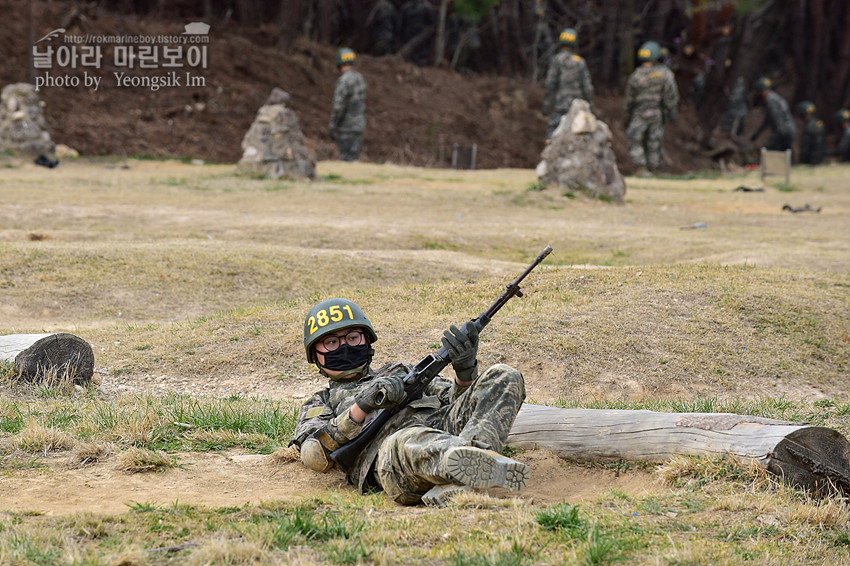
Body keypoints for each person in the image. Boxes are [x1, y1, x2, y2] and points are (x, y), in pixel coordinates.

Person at [290, 298, 528, 508]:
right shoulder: (319, 402)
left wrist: (464, 372)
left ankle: (469, 463)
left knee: (504, 375)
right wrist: (363, 405)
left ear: (367, 341)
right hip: (392, 457)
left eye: (352, 338)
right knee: (405, 439)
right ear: (315, 355)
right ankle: (466, 464)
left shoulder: (400, 372)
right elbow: (314, 454)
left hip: (442, 427)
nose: (344, 347)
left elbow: (457, 401)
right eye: (331, 342)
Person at [624, 41, 680, 177]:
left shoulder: (636, 76)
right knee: (654, 140)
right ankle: (655, 168)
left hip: (639, 113)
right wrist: (672, 111)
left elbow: (629, 98)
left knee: (635, 138)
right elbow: (671, 95)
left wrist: (627, 114)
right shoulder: (664, 74)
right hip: (657, 113)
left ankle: (641, 166)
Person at [542, 28, 594, 139]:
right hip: (577, 105)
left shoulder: (557, 60)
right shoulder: (580, 61)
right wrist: (590, 103)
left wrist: (546, 103)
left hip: (561, 103)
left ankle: (551, 152)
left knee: (553, 130)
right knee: (579, 132)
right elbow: (587, 86)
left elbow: (550, 83)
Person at [328, 48, 367, 162]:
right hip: (358, 125)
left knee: (346, 160)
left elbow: (338, 107)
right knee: (355, 158)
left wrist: (333, 126)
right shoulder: (360, 78)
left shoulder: (344, 81)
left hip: (346, 127)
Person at [749, 77, 795, 152]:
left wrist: (776, 135)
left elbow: (775, 119)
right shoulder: (775, 97)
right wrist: (757, 133)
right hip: (789, 130)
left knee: (766, 150)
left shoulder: (770, 100)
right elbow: (768, 119)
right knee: (782, 153)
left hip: (783, 131)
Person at [796, 101, 825, 165]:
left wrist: (802, 162)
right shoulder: (819, 123)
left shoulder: (808, 128)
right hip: (821, 157)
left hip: (811, 160)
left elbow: (805, 148)